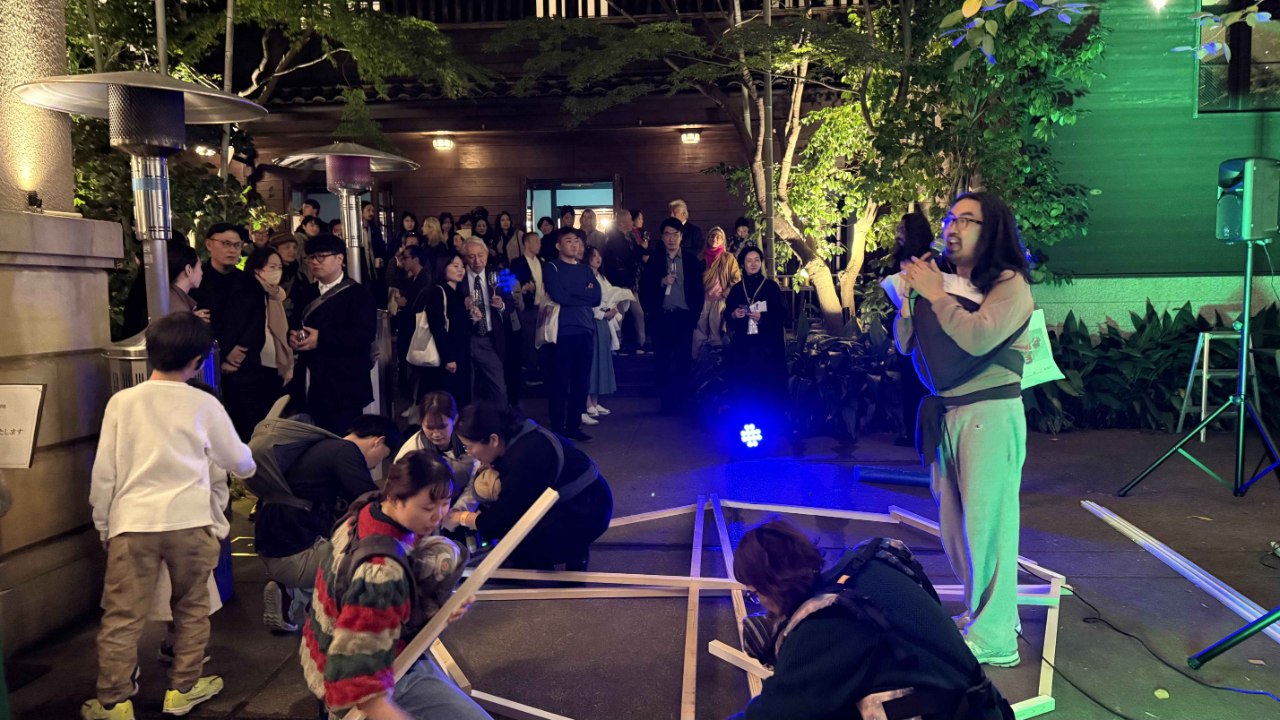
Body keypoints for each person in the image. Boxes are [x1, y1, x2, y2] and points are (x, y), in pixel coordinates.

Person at [83, 312, 256, 720]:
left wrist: (103, 523)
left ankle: (114, 702)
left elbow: (105, 472)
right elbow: (240, 461)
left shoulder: (122, 403)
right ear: (198, 360)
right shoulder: (203, 404)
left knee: (122, 616)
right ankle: (183, 688)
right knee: (191, 608)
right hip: (189, 522)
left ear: (150, 352)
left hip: (132, 523)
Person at [893, 192, 1034, 668]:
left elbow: (978, 337)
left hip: (989, 412)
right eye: (950, 219)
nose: (952, 228)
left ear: (991, 230)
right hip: (947, 413)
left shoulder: (1010, 284)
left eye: (966, 220)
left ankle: (997, 639)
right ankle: (985, 616)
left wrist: (935, 294)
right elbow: (905, 343)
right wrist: (910, 298)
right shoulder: (945, 280)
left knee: (987, 527)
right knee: (957, 529)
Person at [728, 521, 1013, 720]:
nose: (761, 606)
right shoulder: (872, 565)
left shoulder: (824, 626)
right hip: (985, 705)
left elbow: (776, 712)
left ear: (772, 586)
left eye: (754, 595)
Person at [300, 452, 491, 720]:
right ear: (394, 498)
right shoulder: (381, 573)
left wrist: (442, 609)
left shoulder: (365, 510)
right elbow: (355, 669)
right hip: (359, 670)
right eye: (428, 507)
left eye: (445, 503)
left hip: (318, 644)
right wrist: (385, 711)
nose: (438, 516)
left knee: (446, 553)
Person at [256, 415, 400, 633]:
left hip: (274, 549)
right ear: (378, 441)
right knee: (367, 552)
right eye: (382, 457)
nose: (375, 465)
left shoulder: (322, 448)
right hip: (295, 556)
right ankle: (339, 619)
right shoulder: (346, 451)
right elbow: (371, 503)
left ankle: (290, 593)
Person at [453, 404, 612, 570]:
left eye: (468, 447)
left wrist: (462, 517)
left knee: (514, 549)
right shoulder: (521, 432)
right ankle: (566, 549)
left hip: (588, 511)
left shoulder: (522, 459)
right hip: (592, 495)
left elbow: (500, 521)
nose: (469, 453)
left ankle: (573, 550)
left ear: (493, 440)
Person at [287, 233, 377, 435]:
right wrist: (292, 337)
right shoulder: (306, 292)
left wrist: (321, 339)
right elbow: (294, 323)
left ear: (339, 258)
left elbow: (364, 335)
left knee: (342, 441)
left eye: (321, 256)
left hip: (345, 384)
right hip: (312, 381)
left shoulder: (359, 294)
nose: (314, 262)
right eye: (311, 257)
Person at [191, 223, 265, 441]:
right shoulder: (197, 281)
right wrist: (220, 356)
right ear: (209, 244)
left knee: (246, 429)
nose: (232, 250)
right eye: (225, 244)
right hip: (206, 367)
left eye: (237, 245)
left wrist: (239, 352)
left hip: (244, 366)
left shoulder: (250, 283)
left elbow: (257, 323)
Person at [641, 218, 704, 415]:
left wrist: (693, 317)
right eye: (667, 234)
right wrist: (661, 282)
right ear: (662, 237)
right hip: (662, 318)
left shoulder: (691, 261)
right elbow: (644, 288)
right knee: (662, 362)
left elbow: (698, 292)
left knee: (683, 361)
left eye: (675, 234)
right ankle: (666, 403)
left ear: (681, 236)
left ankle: (682, 402)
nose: (671, 238)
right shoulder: (655, 260)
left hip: (683, 318)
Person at [543, 229, 601, 441]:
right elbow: (560, 296)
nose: (574, 244)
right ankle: (558, 427)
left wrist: (574, 293)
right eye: (569, 241)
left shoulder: (585, 269)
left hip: (585, 328)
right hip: (562, 331)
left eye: (577, 241)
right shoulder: (552, 267)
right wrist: (582, 293)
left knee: (581, 381)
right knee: (559, 382)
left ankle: (574, 425)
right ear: (558, 246)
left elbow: (596, 297)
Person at [891, 210, 937, 447]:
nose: (898, 233)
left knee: (921, 381)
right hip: (905, 322)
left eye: (902, 229)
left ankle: (922, 432)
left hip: (924, 326)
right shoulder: (901, 257)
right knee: (908, 380)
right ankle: (911, 431)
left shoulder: (929, 260)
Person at [725, 246, 787, 410]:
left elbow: (782, 314)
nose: (753, 264)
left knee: (766, 385)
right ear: (742, 264)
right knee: (744, 383)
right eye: (749, 261)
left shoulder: (771, 287)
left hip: (766, 346)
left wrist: (763, 318)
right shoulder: (737, 289)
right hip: (744, 345)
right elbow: (727, 314)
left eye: (757, 260)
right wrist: (734, 314)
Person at [239, 246, 294, 431]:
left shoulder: (276, 295)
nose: (277, 271)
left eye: (279, 267)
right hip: (257, 363)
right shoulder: (251, 293)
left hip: (274, 363)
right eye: (271, 267)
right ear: (257, 269)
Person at [462, 239, 511, 406]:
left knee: (499, 389)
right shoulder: (459, 276)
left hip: (490, 339)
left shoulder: (500, 274)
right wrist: (464, 305)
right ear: (465, 258)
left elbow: (512, 303)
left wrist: (502, 306)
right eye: (471, 257)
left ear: (487, 254)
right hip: (466, 339)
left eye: (480, 255)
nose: (477, 261)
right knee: (466, 389)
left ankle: (499, 420)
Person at [423, 253, 473, 406]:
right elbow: (437, 326)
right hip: (448, 355)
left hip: (461, 353)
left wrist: (474, 318)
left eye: (462, 266)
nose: (460, 270)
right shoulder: (438, 292)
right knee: (449, 400)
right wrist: (448, 357)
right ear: (443, 268)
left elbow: (461, 326)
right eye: (455, 266)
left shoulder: (459, 295)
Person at [584, 246, 624, 422]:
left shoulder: (602, 277)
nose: (597, 259)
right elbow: (588, 302)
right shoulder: (586, 276)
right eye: (594, 256)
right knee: (591, 362)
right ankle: (587, 402)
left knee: (601, 360)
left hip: (604, 322)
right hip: (593, 320)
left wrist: (613, 309)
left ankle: (595, 400)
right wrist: (602, 313)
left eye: (599, 256)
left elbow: (611, 295)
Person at [391, 245, 433, 401]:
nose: (403, 261)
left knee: (413, 366)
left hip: (415, 329)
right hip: (407, 327)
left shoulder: (425, 279)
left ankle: (412, 400)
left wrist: (405, 303)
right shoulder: (412, 278)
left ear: (416, 259)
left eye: (406, 258)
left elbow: (420, 306)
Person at [602, 208, 647, 355]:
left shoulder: (623, 237)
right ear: (622, 223)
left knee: (636, 314)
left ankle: (639, 343)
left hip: (627, 283)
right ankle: (618, 345)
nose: (632, 223)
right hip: (621, 284)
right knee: (620, 314)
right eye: (629, 220)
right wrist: (642, 249)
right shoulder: (616, 239)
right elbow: (629, 257)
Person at [692, 226, 741, 359]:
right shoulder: (701, 258)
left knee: (716, 332)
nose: (714, 238)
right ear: (707, 239)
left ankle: (716, 361)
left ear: (722, 240)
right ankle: (698, 360)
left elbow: (736, 279)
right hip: (703, 300)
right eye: (712, 236)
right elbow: (695, 279)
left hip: (720, 300)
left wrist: (727, 291)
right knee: (699, 331)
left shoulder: (728, 258)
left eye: (718, 237)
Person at [511, 231, 546, 385]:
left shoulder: (542, 262)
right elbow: (510, 285)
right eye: (536, 241)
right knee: (529, 339)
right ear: (527, 243)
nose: (539, 244)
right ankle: (530, 373)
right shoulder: (517, 263)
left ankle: (540, 369)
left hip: (542, 306)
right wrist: (523, 289)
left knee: (541, 339)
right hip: (526, 307)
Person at [165, 241, 206, 321]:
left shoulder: (166, 297)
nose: (202, 272)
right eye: (200, 267)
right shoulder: (180, 313)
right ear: (189, 270)